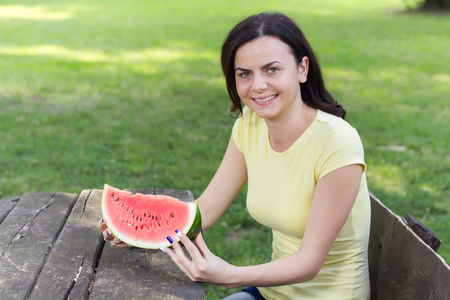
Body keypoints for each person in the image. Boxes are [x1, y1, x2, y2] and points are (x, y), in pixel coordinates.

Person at [99, 12, 371, 299]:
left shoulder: (336, 141)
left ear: (302, 69)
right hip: (271, 294)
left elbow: (310, 261)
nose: (258, 86)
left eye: (272, 70)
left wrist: (230, 275)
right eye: (245, 74)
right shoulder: (249, 125)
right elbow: (207, 209)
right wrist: (136, 229)